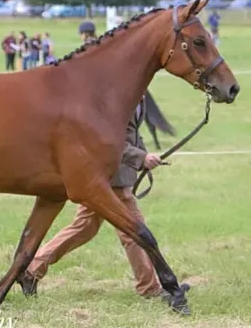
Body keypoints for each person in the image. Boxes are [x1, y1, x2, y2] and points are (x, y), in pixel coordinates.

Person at [21, 96, 191, 312]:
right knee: (133, 230)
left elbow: (131, 133)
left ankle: (33, 269)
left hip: (118, 174)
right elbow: (105, 140)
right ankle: (149, 287)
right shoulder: (115, 96)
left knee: (85, 227)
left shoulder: (138, 91)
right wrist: (140, 157)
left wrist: (145, 158)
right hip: (110, 177)